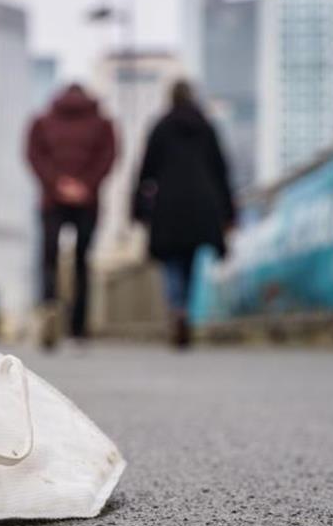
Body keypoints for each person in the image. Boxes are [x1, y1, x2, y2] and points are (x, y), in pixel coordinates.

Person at [133, 80, 235, 349]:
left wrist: (137, 209)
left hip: (168, 205)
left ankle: (176, 309)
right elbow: (221, 172)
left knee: (171, 263)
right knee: (190, 262)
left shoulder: (160, 127)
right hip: (201, 205)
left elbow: (145, 172)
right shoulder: (207, 128)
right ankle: (186, 311)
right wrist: (229, 213)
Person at [26, 83, 117, 350]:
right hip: (88, 202)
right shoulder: (103, 124)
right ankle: (78, 329)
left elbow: (34, 156)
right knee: (82, 263)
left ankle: (49, 315)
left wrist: (56, 184)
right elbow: (108, 157)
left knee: (49, 259)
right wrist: (86, 185)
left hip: (51, 200)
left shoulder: (41, 121)